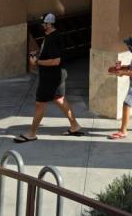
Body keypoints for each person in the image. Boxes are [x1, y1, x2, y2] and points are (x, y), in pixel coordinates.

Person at [14, 13, 83, 142]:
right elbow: (49, 53)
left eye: (43, 23)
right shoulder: (51, 36)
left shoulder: (53, 39)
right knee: (60, 100)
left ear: (49, 24)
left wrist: (37, 62)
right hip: (57, 76)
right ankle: (74, 126)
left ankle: (32, 134)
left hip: (50, 78)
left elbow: (56, 61)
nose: (42, 25)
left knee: (40, 104)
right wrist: (38, 54)